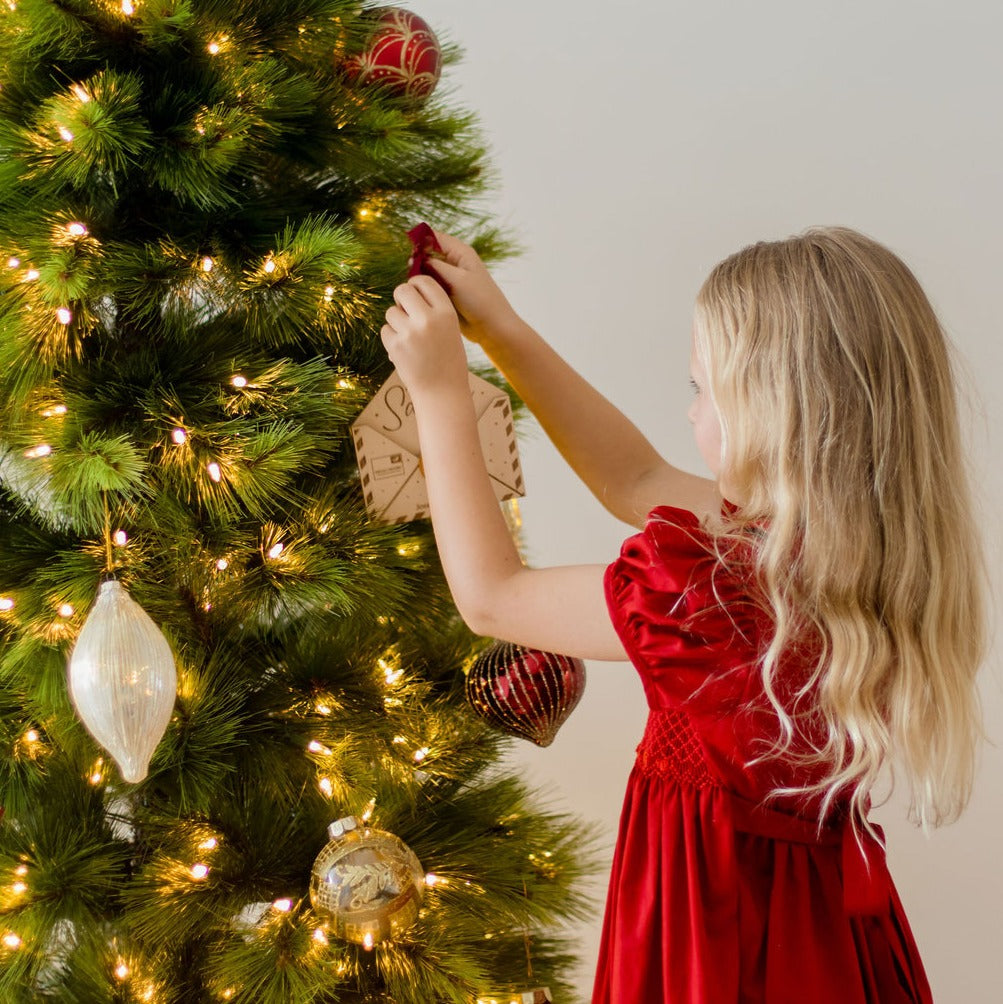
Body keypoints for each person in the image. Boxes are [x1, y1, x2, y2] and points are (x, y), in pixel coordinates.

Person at [380, 227, 985, 1003]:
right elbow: (631, 475)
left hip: (717, 945)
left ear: (769, 413)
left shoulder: (710, 594)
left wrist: (438, 393)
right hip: (824, 941)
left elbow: (491, 597)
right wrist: (499, 329)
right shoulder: (855, 550)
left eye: (701, 389)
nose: (691, 408)